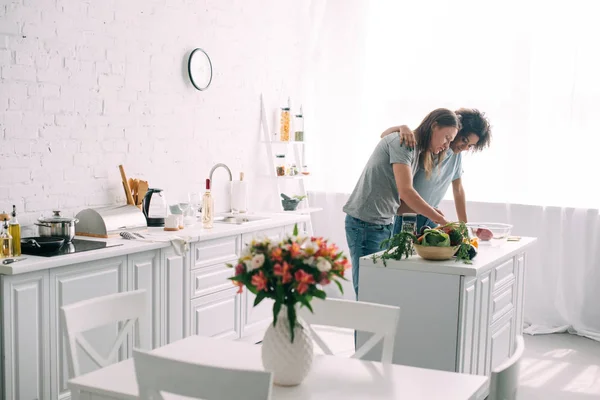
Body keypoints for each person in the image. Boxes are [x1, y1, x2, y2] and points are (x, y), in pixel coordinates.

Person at [343, 108, 460, 297]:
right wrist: (441, 220)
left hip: (382, 225)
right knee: (369, 293)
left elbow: (397, 203)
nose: (447, 146)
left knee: (378, 293)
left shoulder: (414, 150)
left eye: (451, 141)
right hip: (364, 225)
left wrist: (430, 212)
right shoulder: (404, 143)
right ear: (434, 126)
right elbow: (406, 192)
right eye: (446, 138)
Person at [380, 108, 492, 235]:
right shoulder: (430, 147)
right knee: (403, 252)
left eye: (470, 146)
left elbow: (458, 189)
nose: (465, 147)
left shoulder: (456, 156)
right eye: (465, 140)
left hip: (431, 215)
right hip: (408, 215)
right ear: (457, 130)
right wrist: (402, 127)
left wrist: (464, 226)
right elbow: (386, 138)